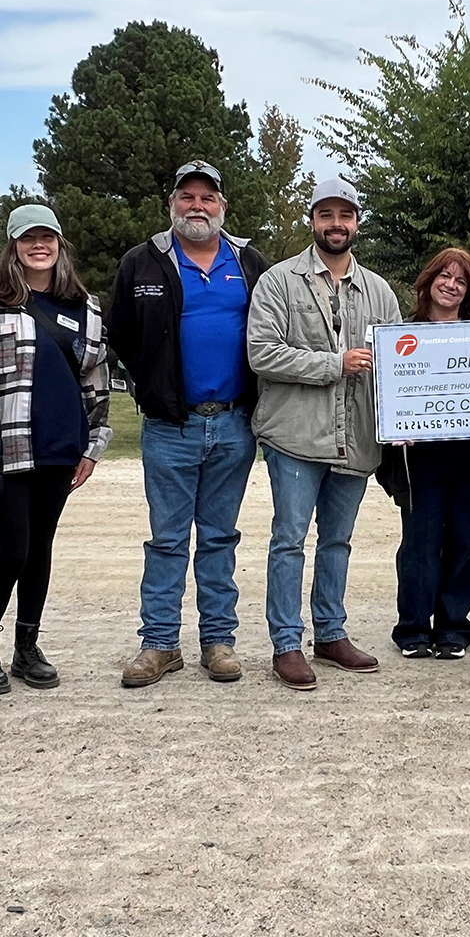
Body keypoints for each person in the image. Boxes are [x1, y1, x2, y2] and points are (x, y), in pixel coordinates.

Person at [109, 161, 269, 688]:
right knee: (168, 540)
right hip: (168, 428)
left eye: (207, 197)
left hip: (232, 424)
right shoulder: (142, 263)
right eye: (186, 196)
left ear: (223, 206)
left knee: (220, 538)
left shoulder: (249, 263)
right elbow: (121, 337)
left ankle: (218, 641)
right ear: (172, 203)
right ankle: (159, 644)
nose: (196, 206)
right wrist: (151, 386)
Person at [247, 175, 401, 691]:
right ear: (311, 220)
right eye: (326, 215)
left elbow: (400, 368)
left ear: (358, 222)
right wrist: (334, 363)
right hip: (295, 433)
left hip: (356, 436)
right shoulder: (278, 281)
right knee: (289, 540)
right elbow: (262, 354)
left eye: (346, 215)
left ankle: (331, 634)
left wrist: (404, 418)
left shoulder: (379, 290)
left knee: (337, 540)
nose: (336, 225)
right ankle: (286, 644)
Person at [0, 204, 112, 691]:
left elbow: (97, 382)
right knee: (10, 551)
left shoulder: (84, 307)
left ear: (60, 244)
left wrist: (93, 447)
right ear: (14, 247)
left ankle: (27, 648)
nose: (38, 245)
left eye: (47, 237)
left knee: (39, 550)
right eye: (28, 238)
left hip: (61, 445)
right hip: (8, 445)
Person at [375, 247, 470, 660]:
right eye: (444, 277)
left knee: (468, 541)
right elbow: (382, 395)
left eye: (461, 280)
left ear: (469, 291)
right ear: (428, 282)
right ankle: (412, 627)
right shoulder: (400, 334)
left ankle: (453, 627)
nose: (451, 285)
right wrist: (393, 425)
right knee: (420, 543)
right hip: (420, 459)